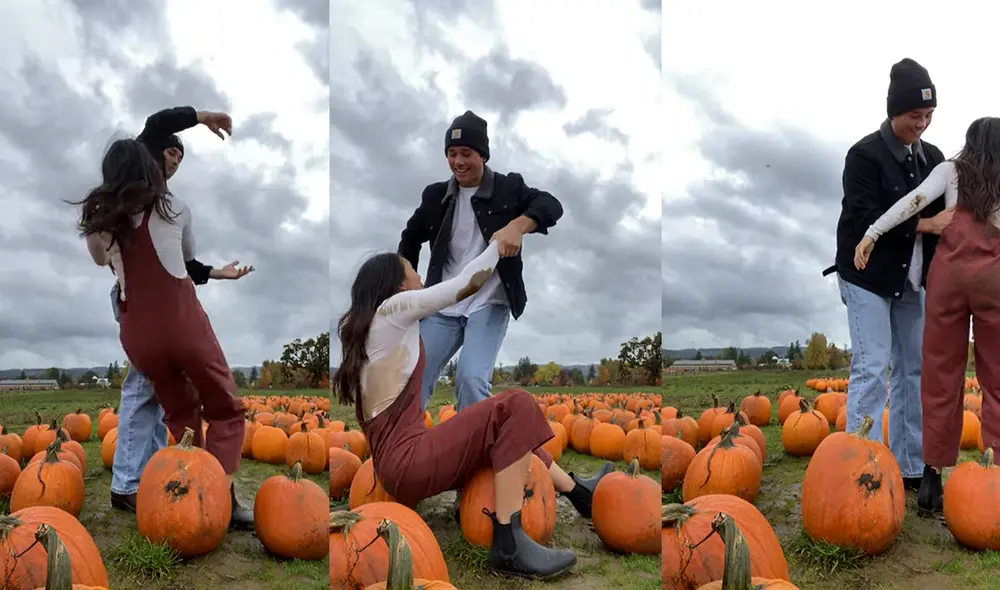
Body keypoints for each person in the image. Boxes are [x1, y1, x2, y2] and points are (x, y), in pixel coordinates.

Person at [333, 240, 612, 580]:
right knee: (517, 405)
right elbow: (468, 283)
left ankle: (577, 492)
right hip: (410, 462)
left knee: (506, 431)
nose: (419, 274)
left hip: (398, 464)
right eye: (411, 269)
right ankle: (509, 543)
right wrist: (498, 244)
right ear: (398, 284)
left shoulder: (375, 328)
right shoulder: (395, 309)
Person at [76, 138, 248, 531]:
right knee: (225, 408)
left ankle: (192, 493)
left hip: (138, 331)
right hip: (181, 322)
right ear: (150, 169)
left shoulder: (101, 222)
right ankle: (219, 496)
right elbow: (186, 257)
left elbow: (101, 260)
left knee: (182, 416)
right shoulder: (175, 207)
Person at [855, 117, 1000, 517]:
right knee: (997, 378)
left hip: (948, 281)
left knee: (939, 376)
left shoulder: (950, 171)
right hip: (994, 283)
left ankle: (932, 478)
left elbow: (912, 202)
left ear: (970, 144)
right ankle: (998, 471)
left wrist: (872, 233)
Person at [823, 58, 953, 494]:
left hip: (911, 282)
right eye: (915, 116)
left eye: (928, 116)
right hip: (867, 278)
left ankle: (910, 465)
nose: (922, 123)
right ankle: (862, 469)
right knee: (873, 367)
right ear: (893, 112)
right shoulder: (863, 156)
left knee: (913, 370)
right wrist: (924, 225)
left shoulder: (933, 159)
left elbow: (949, 217)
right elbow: (862, 215)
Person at [398, 110, 563, 413]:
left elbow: (551, 205)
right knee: (413, 377)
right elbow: (410, 237)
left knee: (471, 378)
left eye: (466, 153)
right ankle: (403, 449)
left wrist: (519, 225)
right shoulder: (435, 196)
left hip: (489, 300)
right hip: (443, 302)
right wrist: (403, 281)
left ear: (483, 155)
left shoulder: (508, 188)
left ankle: (473, 454)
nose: (458, 161)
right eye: (451, 153)